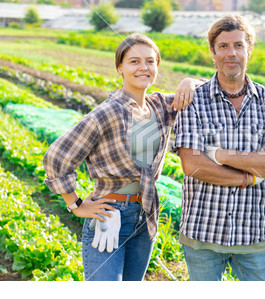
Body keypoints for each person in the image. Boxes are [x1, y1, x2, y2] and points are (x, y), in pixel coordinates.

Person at [43, 33, 201, 281]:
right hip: (110, 213)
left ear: (157, 67)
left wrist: (189, 81)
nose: (143, 67)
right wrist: (76, 205)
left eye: (150, 61)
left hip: (145, 214)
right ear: (120, 68)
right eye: (134, 61)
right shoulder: (108, 112)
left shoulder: (160, 106)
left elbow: (209, 89)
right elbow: (57, 157)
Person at [173, 14, 265, 281]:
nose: (232, 53)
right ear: (213, 52)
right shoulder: (194, 100)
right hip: (202, 231)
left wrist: (219, 155)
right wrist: (248, 177)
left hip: (253, 233)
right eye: (224, 46)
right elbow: (193, 165)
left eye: (238, 45)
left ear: (249, 50)